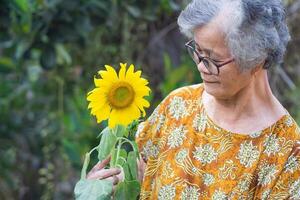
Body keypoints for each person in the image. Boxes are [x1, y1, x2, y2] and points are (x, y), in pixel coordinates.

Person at [87, 0, 300, 199]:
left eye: (213, 59)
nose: (200, 66)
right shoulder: (179, 105)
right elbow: (140, 176)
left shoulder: (286, 153)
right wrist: (110, 185)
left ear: (256, 58)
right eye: (197, 51)